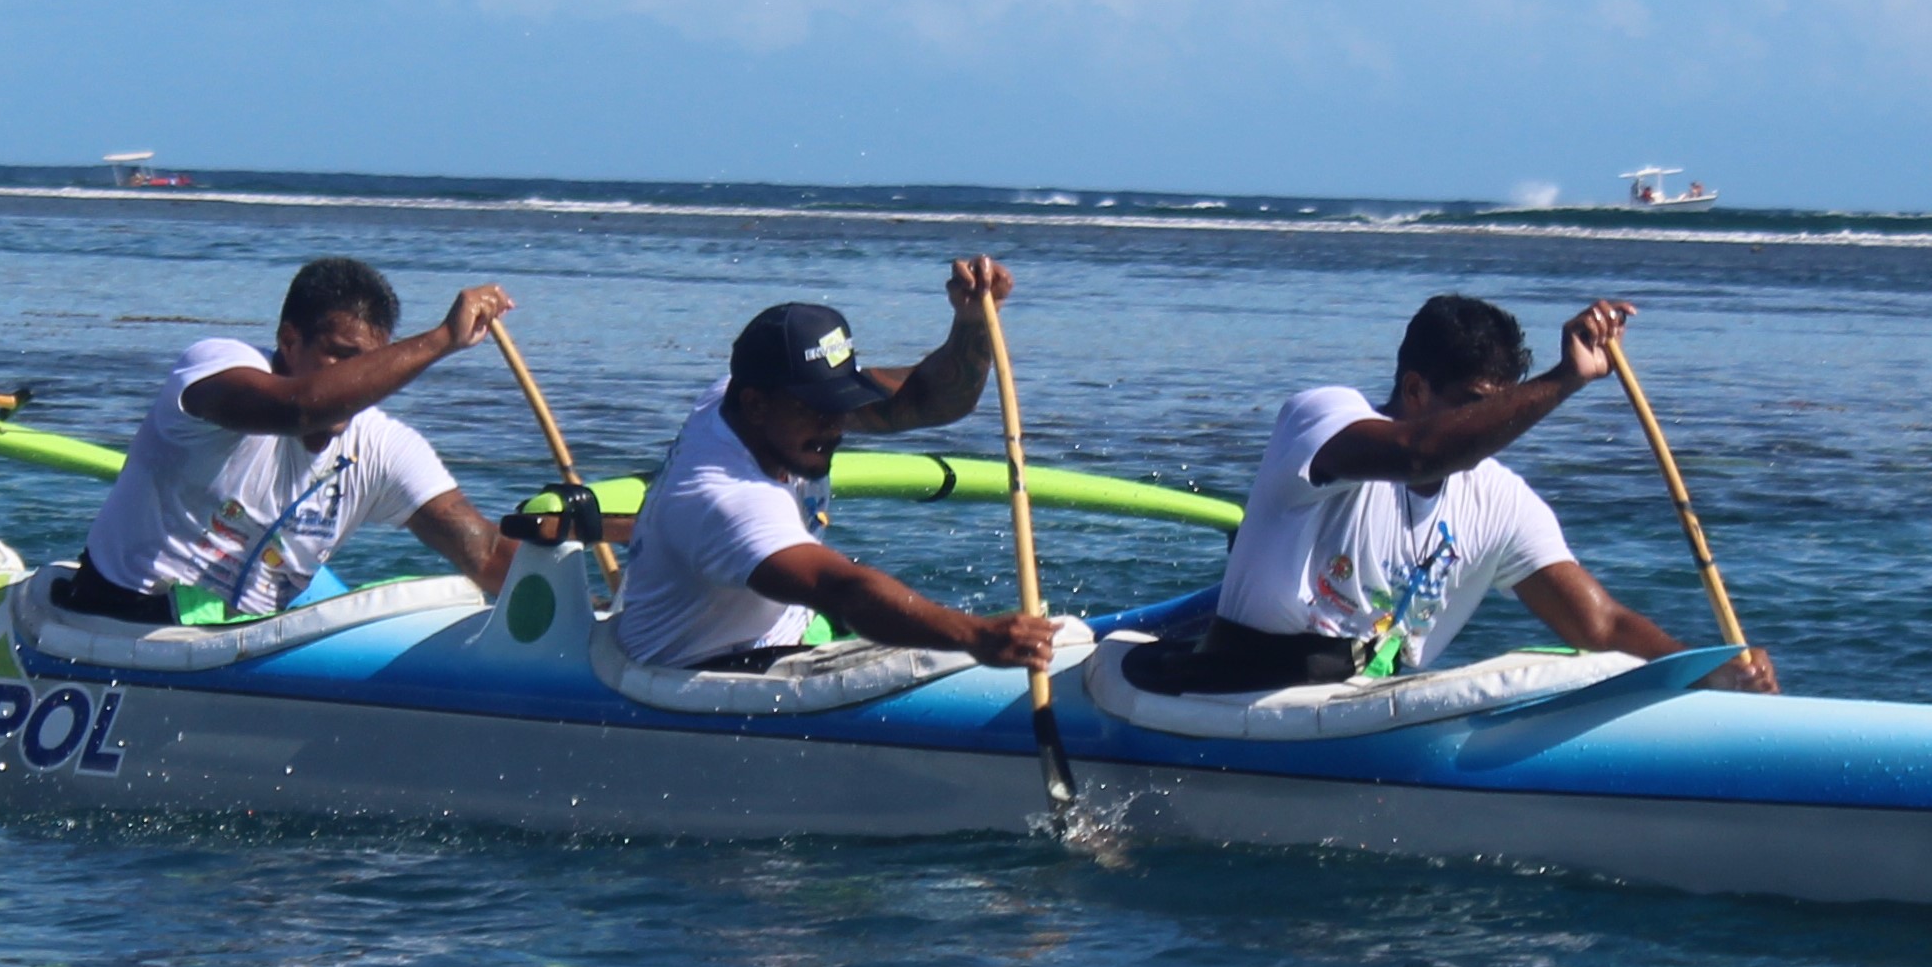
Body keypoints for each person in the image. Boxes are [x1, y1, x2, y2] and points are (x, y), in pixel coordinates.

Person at [1130, 293, 1779, 693]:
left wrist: (1709, 669)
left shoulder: (1500, 499)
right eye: (1475, 408)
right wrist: (1565, 380)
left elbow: (1599, 623)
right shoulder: (1321, 416)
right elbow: (1422, 452)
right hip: (1236, 689)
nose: (1495, 430)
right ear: (1415, 390)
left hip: (1363, 704)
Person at [611, 268, 1062, 673]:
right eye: (816, 410)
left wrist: (972, 324)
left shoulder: (740, 396)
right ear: (755, 404)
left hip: (780, 645)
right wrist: (976, 636)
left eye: (841, 404)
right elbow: (844, 590)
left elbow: (929, 399)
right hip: (693, 671)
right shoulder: (727, 499)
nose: (835, 426)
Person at [64, 256, 514, 623]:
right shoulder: (215, 367)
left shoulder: (383, 447)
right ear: (289, 340)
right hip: (115, 615)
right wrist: (442, 339)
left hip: (244, 640)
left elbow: (487, 555)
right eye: (341, 356)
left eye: (375, 366)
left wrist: (572, 588)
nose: (362, 382)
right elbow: (299, 409)